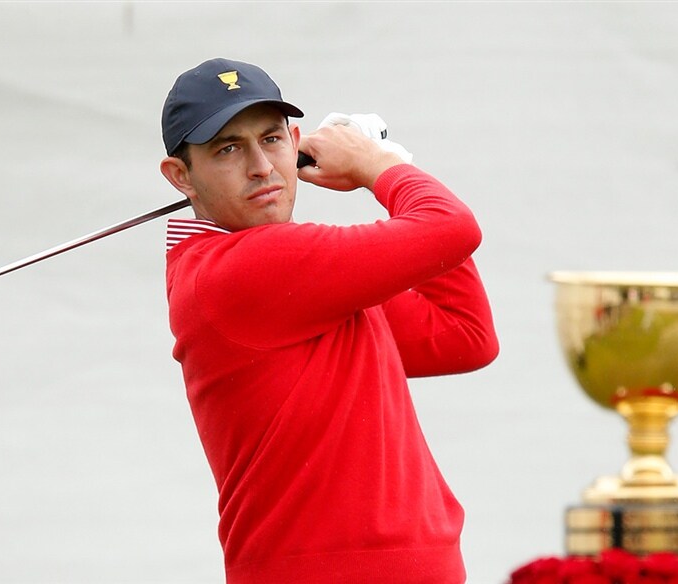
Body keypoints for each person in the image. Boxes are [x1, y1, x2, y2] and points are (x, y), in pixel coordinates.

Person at [158, 57, 499, 584]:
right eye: (228, 149)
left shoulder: (306, 286)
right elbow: (451, 227)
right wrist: (378, 166)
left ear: (295, 143)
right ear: (181, 176)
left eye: (272, 139)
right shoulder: (247, 269)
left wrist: (390, 163)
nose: (261, 166)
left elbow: (465, 335)